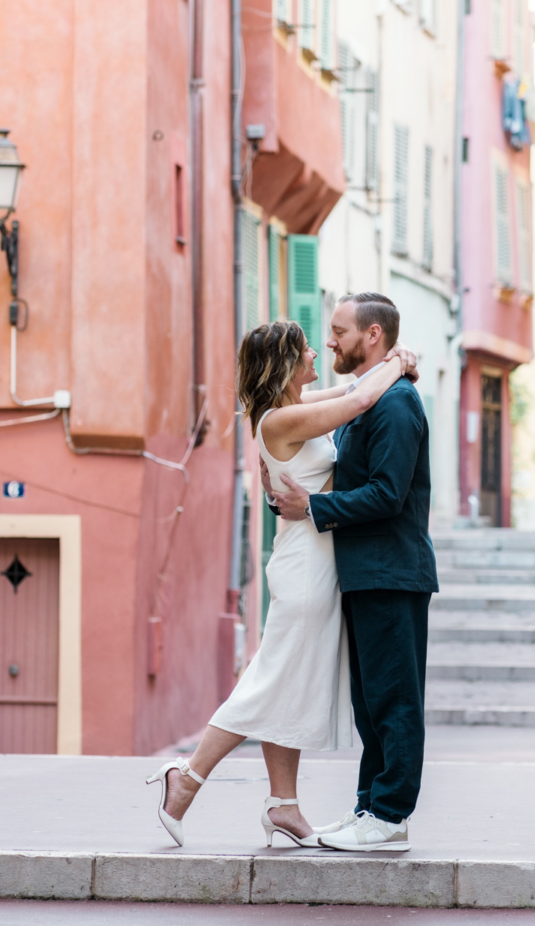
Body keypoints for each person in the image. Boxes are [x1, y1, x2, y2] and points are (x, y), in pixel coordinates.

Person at [145, 317, 417, 848]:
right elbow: (360, 402)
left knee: (285, 681)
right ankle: (187, 779)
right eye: (307, 348)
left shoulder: (294, 413)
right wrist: (400, 364)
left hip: (311, 561)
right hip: (307, 572)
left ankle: (283, 805)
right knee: (270, 682)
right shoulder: (278, 421)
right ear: (287, 363)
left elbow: (356, 389)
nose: (319, 351)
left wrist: (388, 367)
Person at [268, 292, 438, 853]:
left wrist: (312, 509)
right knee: (372, 704)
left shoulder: (396, 406)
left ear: (372, 336)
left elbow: (388, 495)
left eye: (339, 330)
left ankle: (390, 817)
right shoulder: (369, 400)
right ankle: (370, 805)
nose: (330, 340)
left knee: (394, 701)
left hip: (392, 572)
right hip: (365, 573)